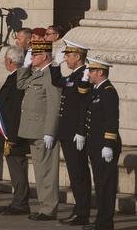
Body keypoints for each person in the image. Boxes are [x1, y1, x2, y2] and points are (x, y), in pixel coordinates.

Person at [17, 40, 62, 221]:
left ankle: (49, 208)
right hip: (32, 129)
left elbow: (54, 105)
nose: (32, 58)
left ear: (44, 56)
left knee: (47, 171)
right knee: (40, 170)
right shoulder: (37, 73)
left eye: (34, 55)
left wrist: (50, 131)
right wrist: (25, 65)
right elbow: (20, 84)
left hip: (43, 130)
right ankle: (45, 206)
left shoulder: (51, 75)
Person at [51, 40, 92, 226]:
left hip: (75, 134)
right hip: (67, 133)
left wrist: (80, 131)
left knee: (79, 175)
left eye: (68, 55)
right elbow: (58, 81)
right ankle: (79, 210)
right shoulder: (74, 76)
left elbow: (83, 105)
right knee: (75, 175)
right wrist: (55, 65)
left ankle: (82, 213)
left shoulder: (83, 76)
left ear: (78, 56)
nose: (66, 58)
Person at [0, 46, 30, 216]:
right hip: (9, 131)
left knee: (18, 168)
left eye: (6, 59)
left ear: (11, 61)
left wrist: (12, 135)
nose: (5, 62)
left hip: (14, 133)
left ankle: (21, 203)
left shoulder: (18, 80)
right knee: (15, 169)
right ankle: (17, 201)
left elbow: (15, 110)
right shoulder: (14, 78)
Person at [83, 58, 121, 230]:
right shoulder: (96, 90)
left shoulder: (108, 91)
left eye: (91, 71)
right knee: (100, 185)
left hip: (105, 145)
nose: (89, 73)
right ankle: (101, 221)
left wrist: (108, 143)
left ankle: (105, 223)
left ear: (100, 72)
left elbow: (112, 119)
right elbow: (81, 96)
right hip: (95, 144)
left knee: (106, 185)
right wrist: (84, 80)